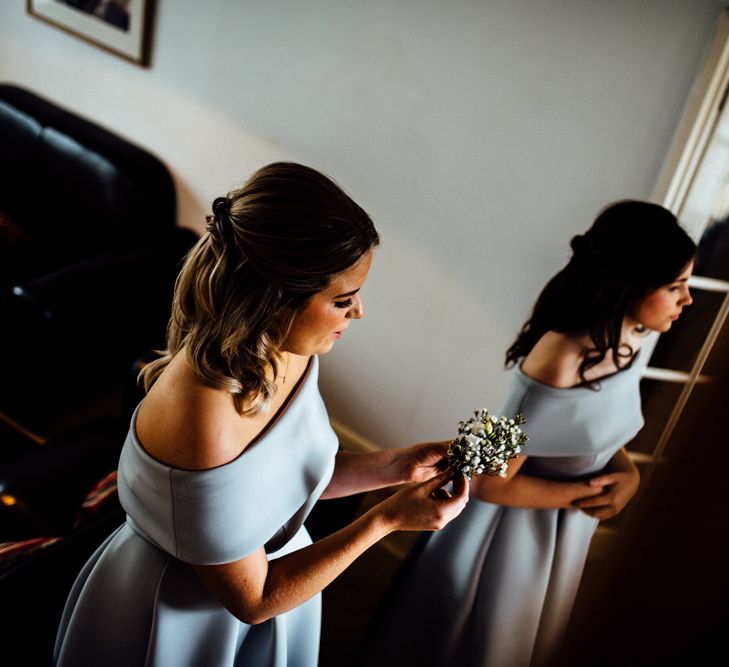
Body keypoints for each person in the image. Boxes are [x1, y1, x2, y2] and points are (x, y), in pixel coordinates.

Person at [52, 162, 469, 667]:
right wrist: (387, 520)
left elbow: (284, 484)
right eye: (342, 299)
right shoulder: (203, 420)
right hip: (181, 615)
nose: (358, 312)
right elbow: (252, 600)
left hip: (281, 580)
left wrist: (397, 467)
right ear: (276, 299)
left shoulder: (289, 348)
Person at [359, 200, 696, 667]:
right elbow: (491, 480)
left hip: (566, 521)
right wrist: (582, 496)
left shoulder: (633, 340)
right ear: (630, 284)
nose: (688, 300)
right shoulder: (557, 361)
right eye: (675, 286)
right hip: (511, 536)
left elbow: (590, 431)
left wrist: (627, 475)